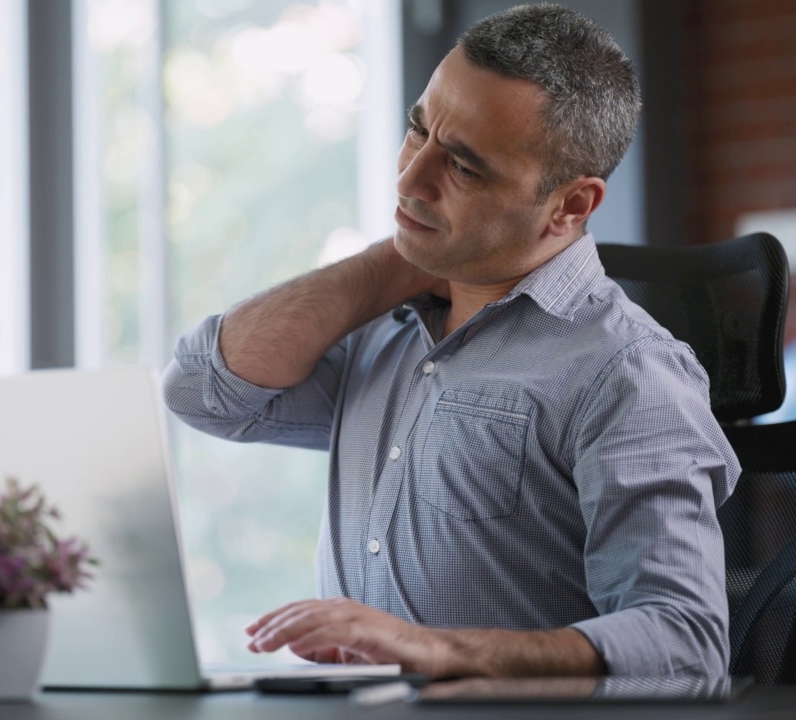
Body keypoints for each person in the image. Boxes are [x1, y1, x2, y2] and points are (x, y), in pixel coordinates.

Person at [162, 3, 739, 679]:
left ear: (571, 207)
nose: (409, 179)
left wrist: (441, 649)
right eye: (417, 130)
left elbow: (685, 643)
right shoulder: (382, 328)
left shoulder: (627, 371)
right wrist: (398, 258)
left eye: (463, 168)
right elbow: (204, 393)